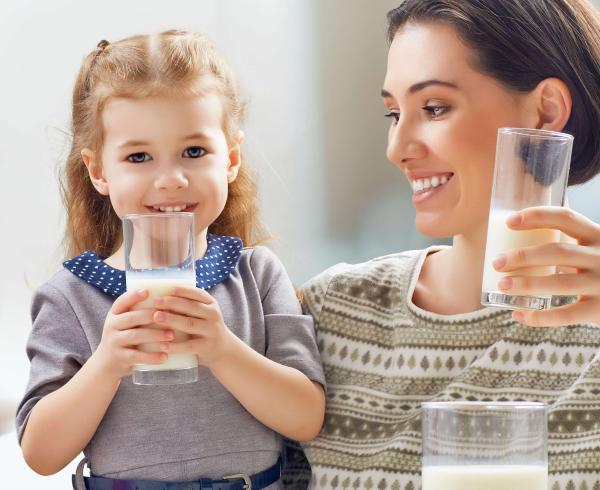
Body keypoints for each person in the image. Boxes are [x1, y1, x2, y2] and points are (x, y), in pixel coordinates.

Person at [287, 1, 600, 489]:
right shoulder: (336, 313)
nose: (397, 147)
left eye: (434, 108)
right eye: (394, 113)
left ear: (545, 111)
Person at [15, 30, 326, 490]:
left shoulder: (256, 275)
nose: (171, 179)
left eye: (194, 152)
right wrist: (107, 363)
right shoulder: (69, 297)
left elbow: (305, 417)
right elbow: (40, 454)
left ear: (231, 159)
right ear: (99, 171)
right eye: (139, 156)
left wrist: (222, 349)